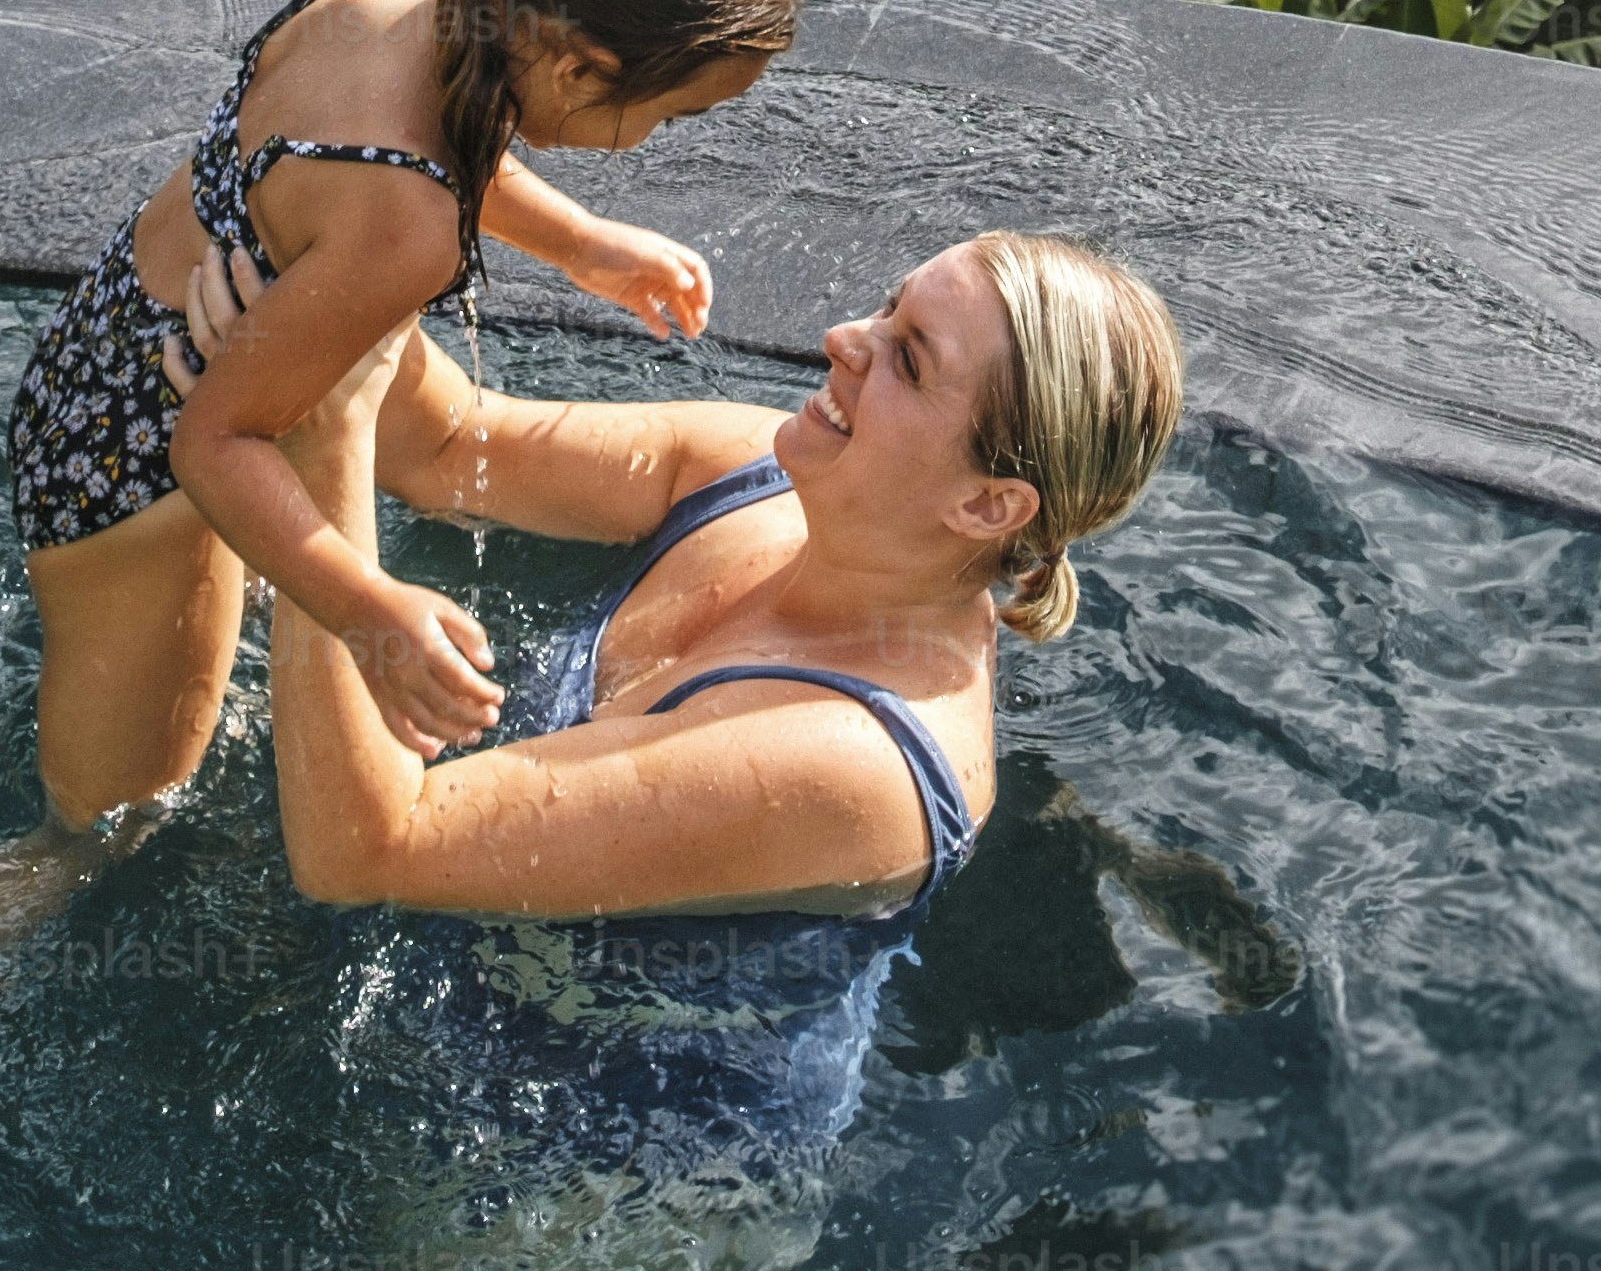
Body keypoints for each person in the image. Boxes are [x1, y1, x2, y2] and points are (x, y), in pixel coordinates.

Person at [0, 0, 802, 1067]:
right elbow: (215, 444)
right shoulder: (406, 233)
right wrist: (370, 608)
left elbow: (446, 141)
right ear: (576, 67)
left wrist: (587, 246)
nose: (652, 142)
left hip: (103, 346)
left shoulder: (402, 3)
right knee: (106, 825)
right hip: (133, 480)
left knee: (424, 454)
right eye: (663, 115)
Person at [256, 228, 1187, 1182]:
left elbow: (364, 849)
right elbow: (448, 444)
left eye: (906, 359)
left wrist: (319, 443)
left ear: (992, 506)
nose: (842, 338)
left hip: (602, 1164)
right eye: (887, 303)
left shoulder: (851, 763)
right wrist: (326, 246)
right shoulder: (764, 468)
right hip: (463, 984)